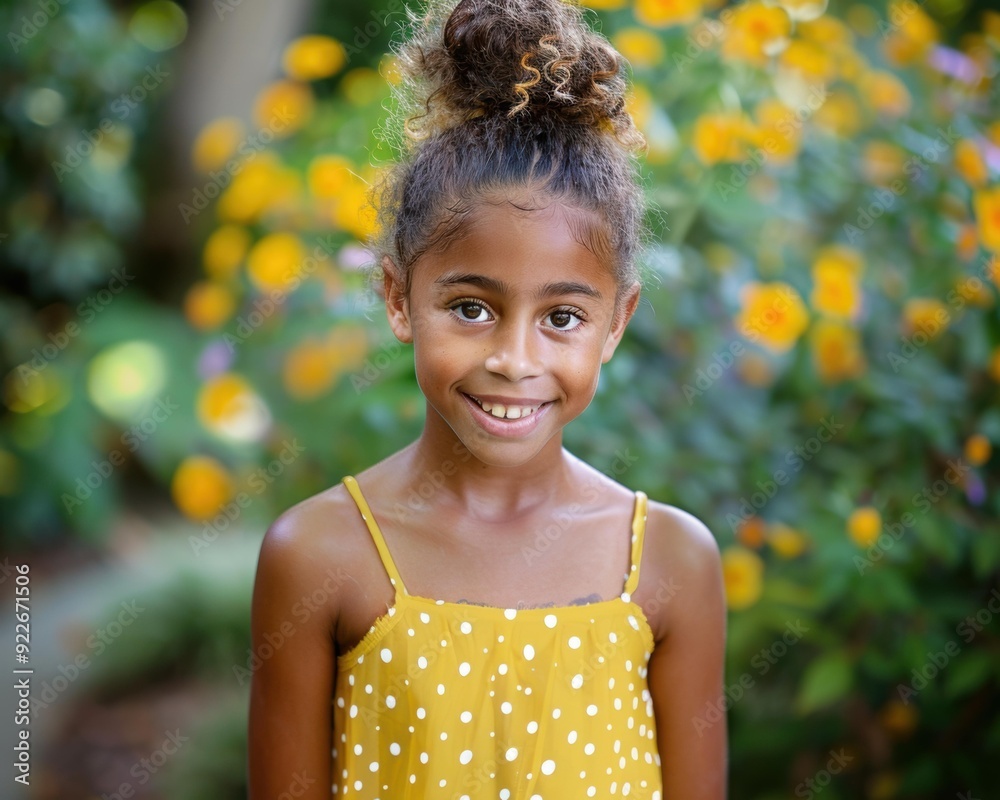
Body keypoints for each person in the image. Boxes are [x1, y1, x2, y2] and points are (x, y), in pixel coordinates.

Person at [248, 0, 727, 797]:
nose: (513, 358)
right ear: (398, 299)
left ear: (617, 323)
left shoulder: (672, 562)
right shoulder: (320, 556)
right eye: (471, 308)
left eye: (563, 318)